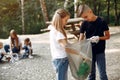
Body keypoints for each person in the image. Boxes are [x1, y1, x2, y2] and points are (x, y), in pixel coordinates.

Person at [77, 4, 110, 80]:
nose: (85, 19)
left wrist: (99, 38)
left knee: (102, 74)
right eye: (83, 18)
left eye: (85, 17)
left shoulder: (102, 21)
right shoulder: (84, 23)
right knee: (91, 74)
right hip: (89, 52)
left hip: (100, 51)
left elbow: (108, 36)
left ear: (90, 11)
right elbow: (80, 39)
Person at [48, 9, 79, 80]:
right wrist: (78, 53)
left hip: (57, 59)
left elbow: (66, 43)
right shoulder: (58, 33)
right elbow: (66, 47)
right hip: (61, 59)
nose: (66, 22)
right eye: (66, 20)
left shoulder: (53, 29)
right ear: (60, 19)